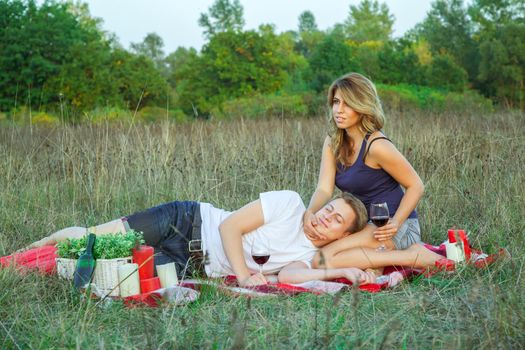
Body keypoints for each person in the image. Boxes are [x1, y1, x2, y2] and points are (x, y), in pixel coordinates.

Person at [24, 190, 381, 287]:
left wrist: (338, 273)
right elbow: (229, 228)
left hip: (186, 265)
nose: (324, 219)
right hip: (184, 220)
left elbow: (289, 277)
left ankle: (41, 264)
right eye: (328, 209)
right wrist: (243, 276)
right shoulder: (289, 203)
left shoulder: (305, 252)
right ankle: (36, 246)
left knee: (109, 271)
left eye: (336, 221)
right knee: (95, 243)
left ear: (343, 235)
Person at [303, 72, 426, 269]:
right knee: (321, 254)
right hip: (361, 226)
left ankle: (414, 255)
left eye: (348, 104)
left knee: (323, 259)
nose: (339, 110)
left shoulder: (376, 145)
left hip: (389, 226)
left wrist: (395, 223)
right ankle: (380, 261)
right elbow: (324, 189)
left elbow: (416, 185)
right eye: (336, 102)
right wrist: (310, 211)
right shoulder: (332, 142)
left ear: (362, 106)